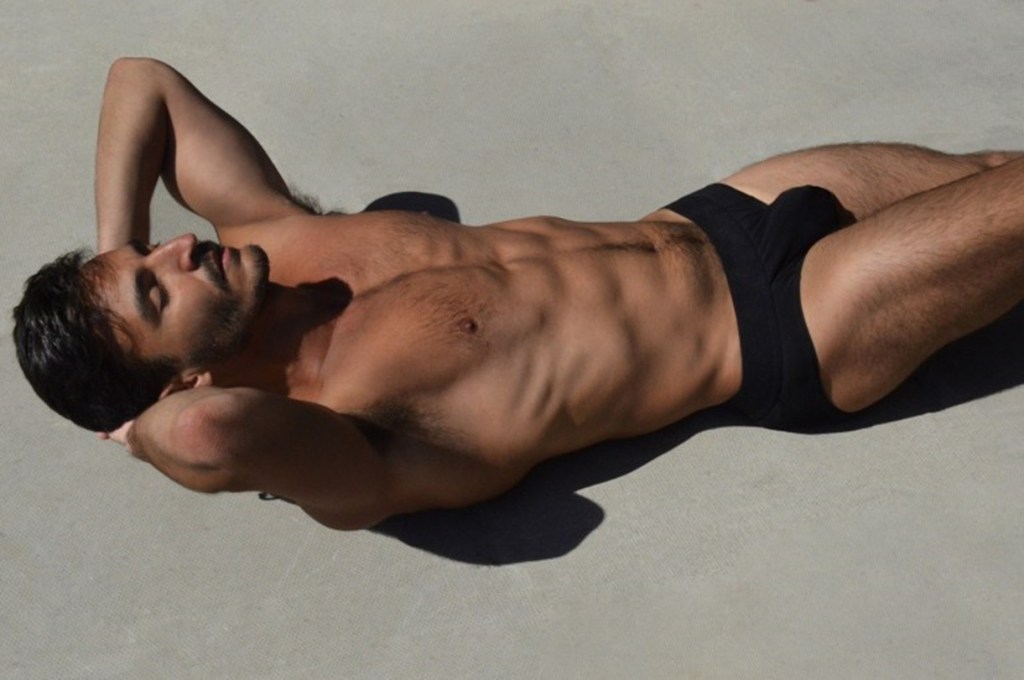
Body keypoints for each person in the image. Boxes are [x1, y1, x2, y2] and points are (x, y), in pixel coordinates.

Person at [13, 58, 1024, 530]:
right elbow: (205, 438)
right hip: (786, 325)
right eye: (158, 292)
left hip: (716, 214)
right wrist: (138, 428)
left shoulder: (272, 239)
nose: (181, 247)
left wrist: (115, 259)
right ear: (184, 378)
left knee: (995, 169)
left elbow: (139, 82)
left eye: (154, 253)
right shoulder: (351, 434)